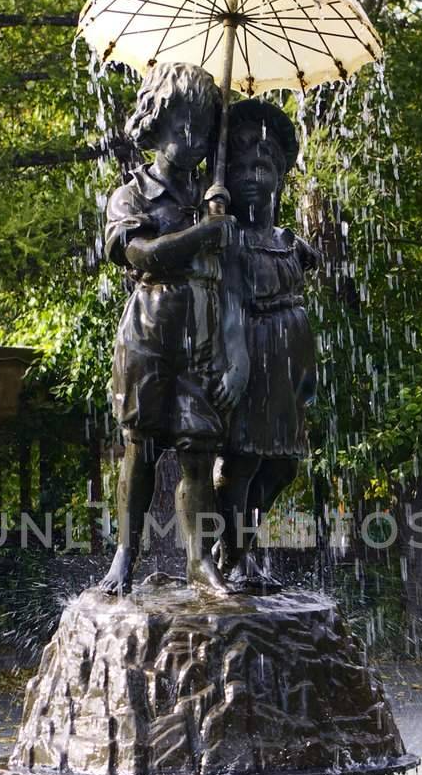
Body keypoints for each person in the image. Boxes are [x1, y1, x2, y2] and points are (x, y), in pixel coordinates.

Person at [98, 62, 247, 596]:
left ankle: (199, 562)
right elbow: (142, 255)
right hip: (148, 336)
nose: (195, 138)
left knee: (198, 452)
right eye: (185, 124)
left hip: (202, 336)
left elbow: (232, 279)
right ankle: (124, 556)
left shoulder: (214, 197)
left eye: (205, 128)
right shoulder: (130, 196)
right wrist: (201, 235)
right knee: (139, 449)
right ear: (154, 121)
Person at [215, 98, 319, 590]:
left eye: (264, 165)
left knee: (284, 466)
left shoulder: (289, 241)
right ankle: (233, 557)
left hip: (292, 365)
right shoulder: (228, 236)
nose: (254, 176)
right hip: (252, 354)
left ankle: (235, 550)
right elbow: (229, 301)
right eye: (241, 167)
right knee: (244, 459)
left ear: (280, 173)